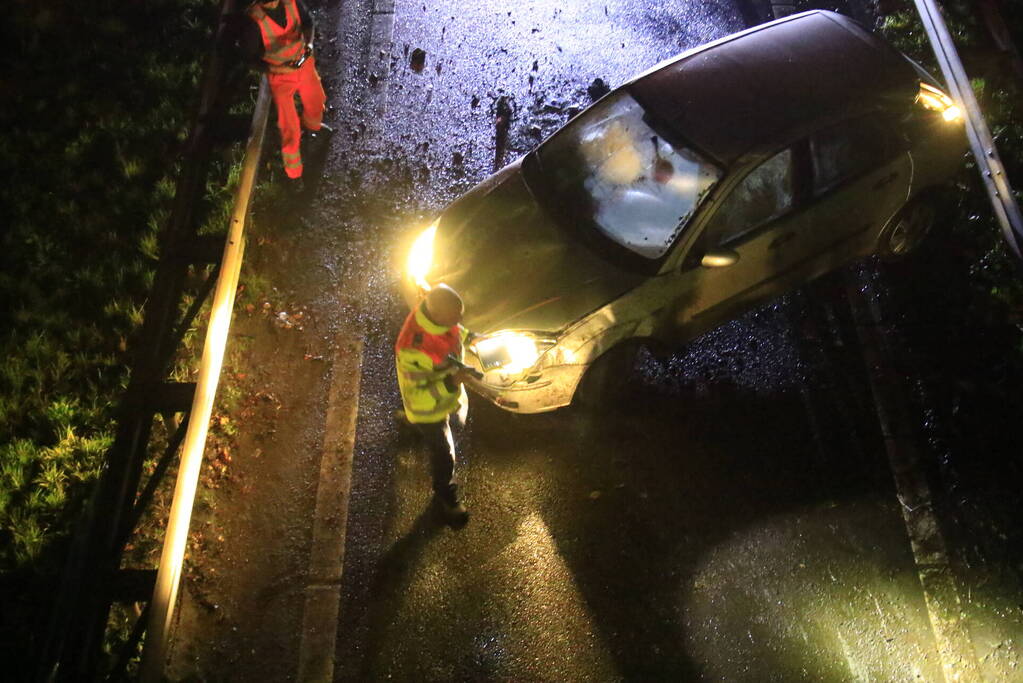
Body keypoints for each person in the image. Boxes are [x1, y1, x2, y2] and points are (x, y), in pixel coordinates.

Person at [394, 285, 479, 527]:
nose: (458, 322)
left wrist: (471, 338)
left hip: (443, 397)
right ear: (439, 315)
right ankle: (445, 495)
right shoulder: (412, 349)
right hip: (428, 411)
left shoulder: (437, 318)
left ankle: (410, 423)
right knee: (444, 454)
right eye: (454, 318)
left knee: (451, 429)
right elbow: (418, 395)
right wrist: (451, 383)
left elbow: (453, 330)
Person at [240, 0, 331, 186]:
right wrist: (278, 69)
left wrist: (309, 45)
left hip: (304, 65)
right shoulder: (254, 22)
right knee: (289, 126)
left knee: (316, 99)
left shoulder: (291, 3)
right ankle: (294, 175)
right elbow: (250, 59)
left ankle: (313, 128)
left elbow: (308, 22)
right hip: (281, 77)